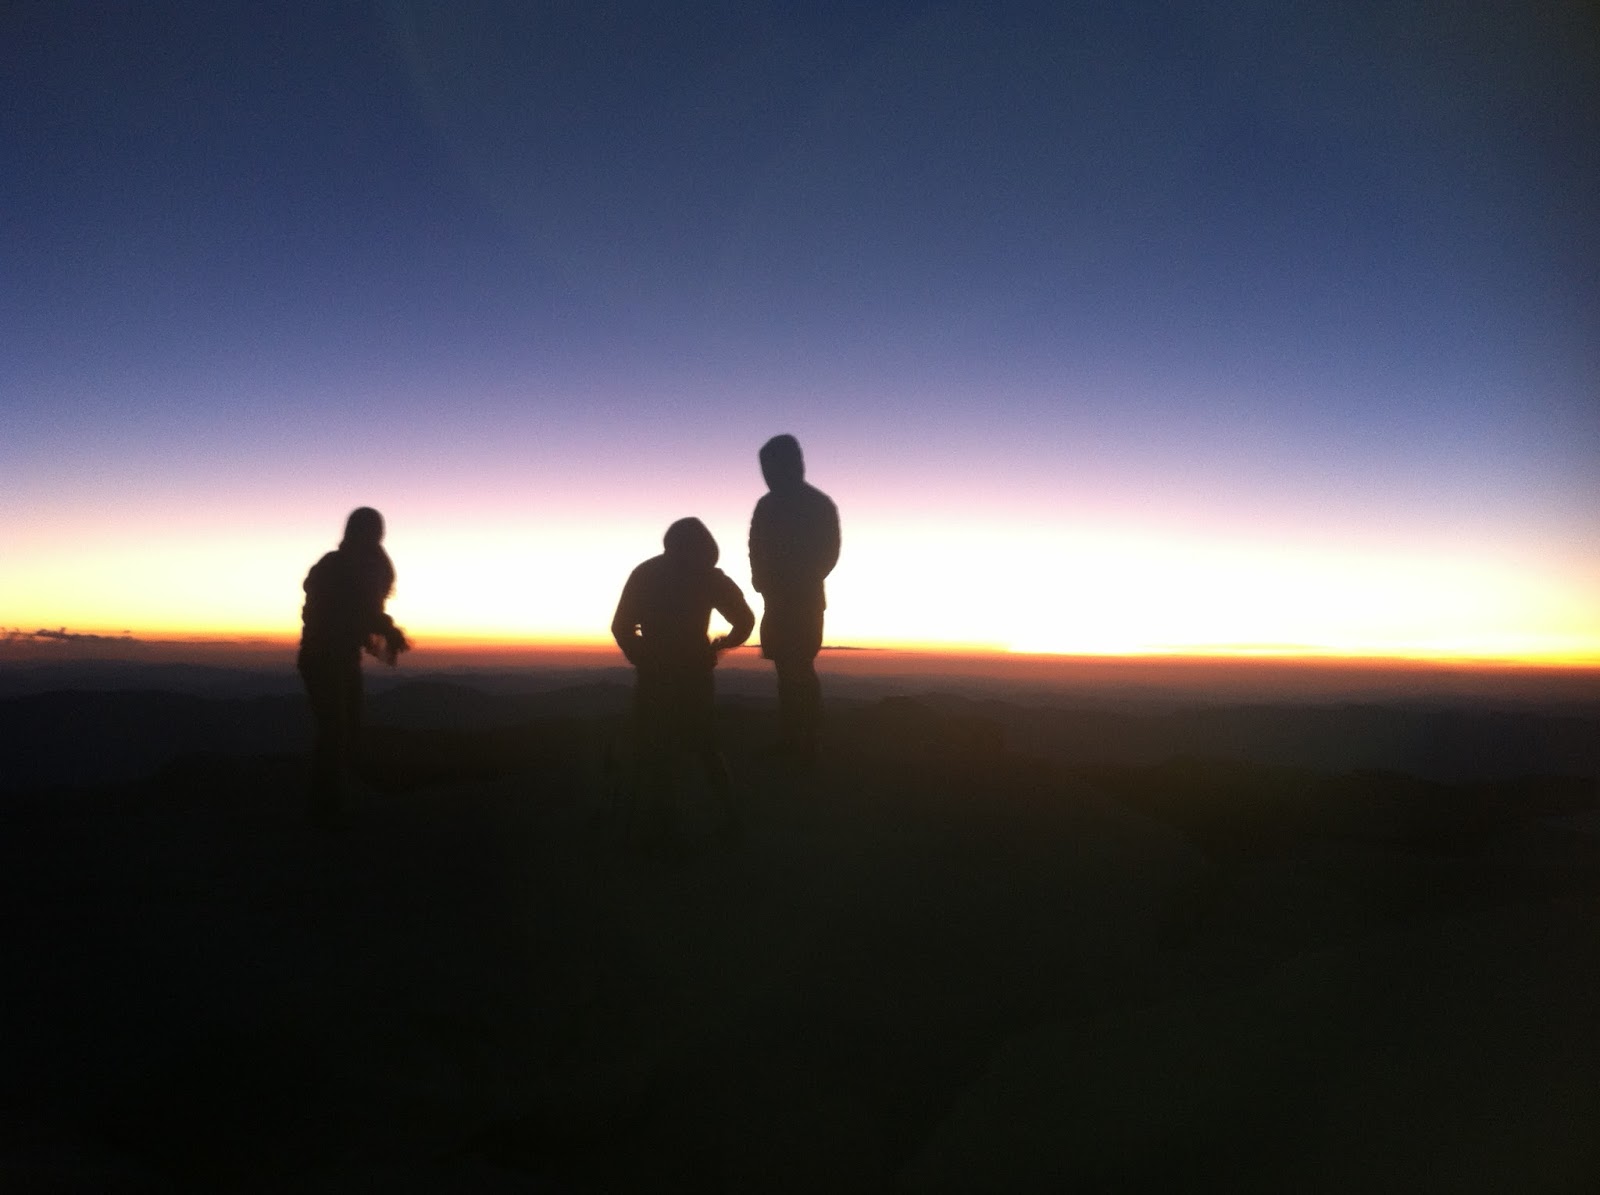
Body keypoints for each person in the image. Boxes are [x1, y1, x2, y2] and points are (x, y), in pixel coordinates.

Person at [611, 517, 754, 844]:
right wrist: (724, 644)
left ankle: (663, 827)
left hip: (655, 673)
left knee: (656, 747)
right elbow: (745, 620)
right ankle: (730, 817)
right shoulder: (708, 576)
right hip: (695, 670)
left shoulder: (645, 573)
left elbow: (621, 626)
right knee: (705, 745)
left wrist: (642, 656)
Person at [298, 507, 409, 825]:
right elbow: (355, 608)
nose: (376, 536)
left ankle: (334, 800)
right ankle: (324, 810)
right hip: (322, 659)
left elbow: (359, 609)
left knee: (344, 730)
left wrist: (381, 626)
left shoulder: (360, 566)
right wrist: (385, 628)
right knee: (336, 731)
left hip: (341, 658)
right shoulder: (340, 567)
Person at [748, 434, 840, 765]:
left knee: (799, 668)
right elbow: (754, 545)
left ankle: (808, 743)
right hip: (776, 600)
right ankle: (792, 740)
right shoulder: (766, 505)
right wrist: (760, 580)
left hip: (802, 601)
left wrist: (794, 579)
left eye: (771, 465)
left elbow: (829, 553)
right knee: (786, 671)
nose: (767, 473)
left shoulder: (817, 504)